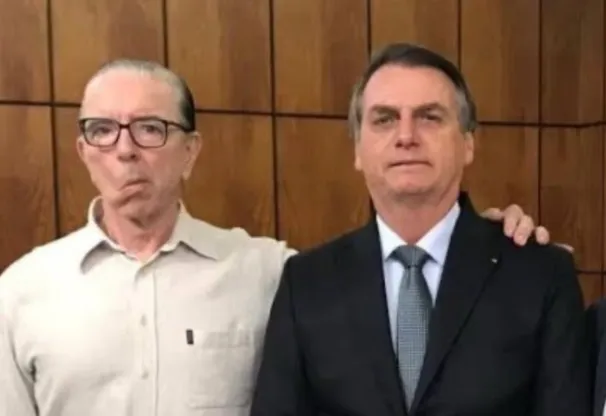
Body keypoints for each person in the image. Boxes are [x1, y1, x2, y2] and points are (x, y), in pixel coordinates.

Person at [0, 58, 550, 416]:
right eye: (102, 130)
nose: (125, 150)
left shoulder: (268, 271)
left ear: (191, 150)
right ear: (83, 151)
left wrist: (483, 240)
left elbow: (401, 262)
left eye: (151, 129)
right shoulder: (21, 291)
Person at [249, 43, 591, 416]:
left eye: (429, 117)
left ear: (468, 143)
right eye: (385, 119)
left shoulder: (541, 274)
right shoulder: (307, 284)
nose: (406, 136)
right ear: (358, 150)